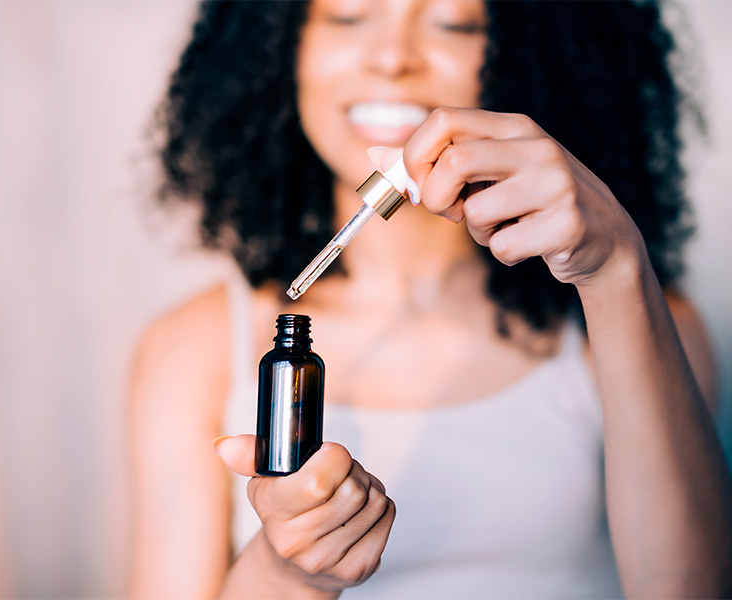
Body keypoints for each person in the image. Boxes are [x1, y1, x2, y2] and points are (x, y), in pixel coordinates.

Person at [127, 1, 732, 597]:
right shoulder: (194, 348)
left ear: (531, 62)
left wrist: (617, 268)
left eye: (453, 23)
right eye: (346, 16)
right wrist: (287, 575)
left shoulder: (637, 317)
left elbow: (687, 587)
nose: (393, 58)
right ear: (279, 49)